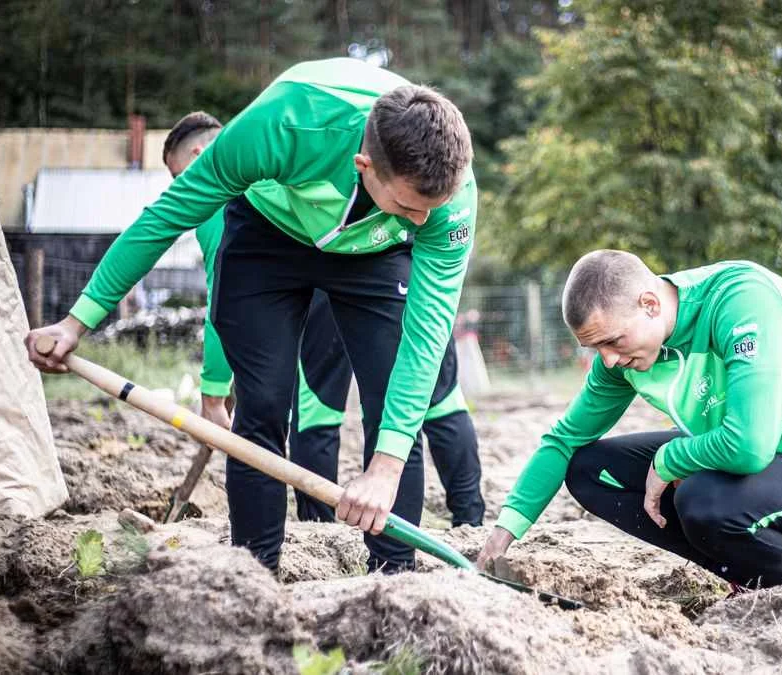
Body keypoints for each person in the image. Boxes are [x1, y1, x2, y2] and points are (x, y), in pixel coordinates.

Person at [26, 58, 477, 573]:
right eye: (410, 205)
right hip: (268, 235)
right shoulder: (284, 123)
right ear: (365, 165)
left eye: (431, 208)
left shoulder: (451, 192)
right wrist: (77, 322)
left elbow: (426, 335)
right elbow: (168, 215)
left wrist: (386, 466)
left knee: (392, 406)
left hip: (374, 252)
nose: (424, 222)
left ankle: (396, 580)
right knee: (262, 406)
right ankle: (253, 575)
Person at [477, 251, 782, 590]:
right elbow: (564, 440)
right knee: (588, 469)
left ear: (649, 304)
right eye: (595, 348)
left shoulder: (740, 300)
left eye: (612, 341)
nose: (607, 360)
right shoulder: (622, 358)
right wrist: (502, 534)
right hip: (768, 460)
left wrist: (670, 460)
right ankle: (743, 571)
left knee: (700, 498)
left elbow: (749, 446)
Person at [163, 112, 484, 528]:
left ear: (198, 153)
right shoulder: (300, 149)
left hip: (342, 286)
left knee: (319, 407)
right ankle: (469, 520)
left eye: (176, 175)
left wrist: (212, 390)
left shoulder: (229, 188)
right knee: (435, 399)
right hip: (390, 275)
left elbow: (221, 302)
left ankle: (318, 527)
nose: (180, 186)